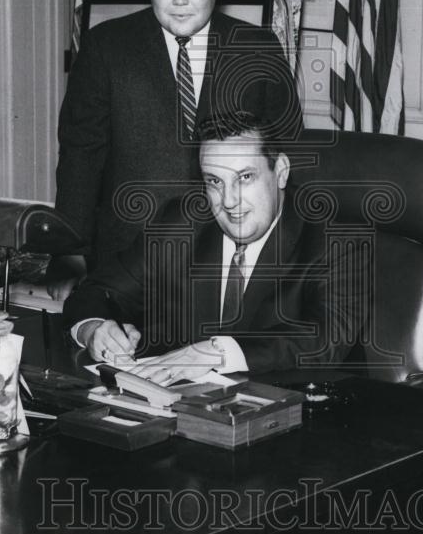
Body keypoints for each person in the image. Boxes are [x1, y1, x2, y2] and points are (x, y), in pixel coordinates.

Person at [53, 0, 303, 297]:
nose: (180, 0)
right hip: (127, 261)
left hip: (230, 262)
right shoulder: (105, 47)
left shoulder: (258, 49)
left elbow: (288, 153)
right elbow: (80, 156)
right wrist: (69, 251)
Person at [63, 111, 367, 381]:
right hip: (186, 418)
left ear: (281, 172)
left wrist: (215, 352)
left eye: (245, 177)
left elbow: (327, 338)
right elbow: (96, 290)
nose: (229, 201)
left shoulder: (334, 239)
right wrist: (94, 330)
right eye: (215, 182)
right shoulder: (181, 224)